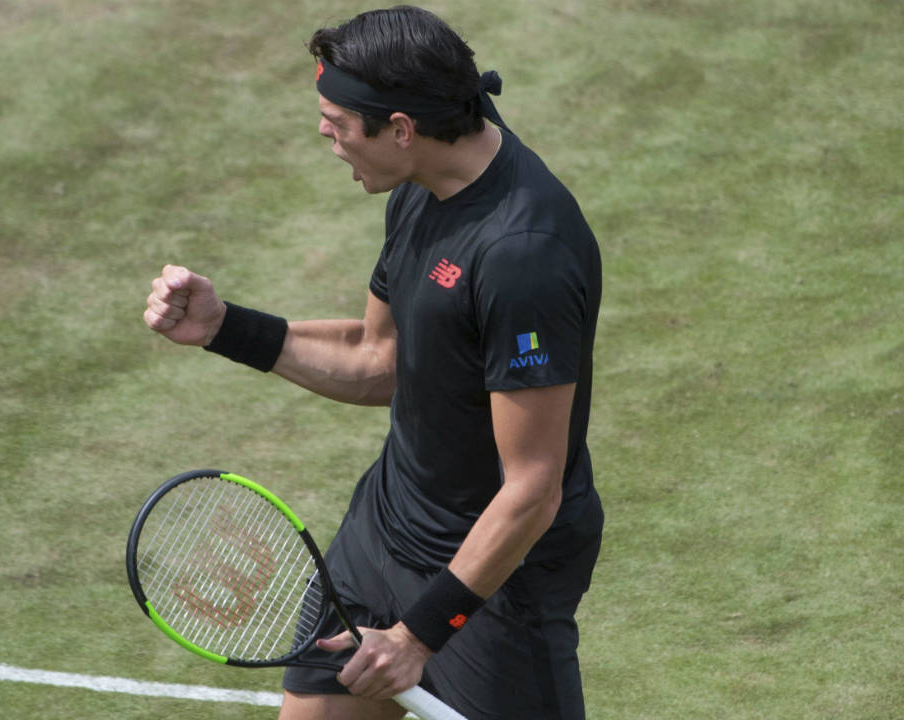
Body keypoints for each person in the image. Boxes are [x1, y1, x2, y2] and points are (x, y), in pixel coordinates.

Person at [143, 6, 603, 719]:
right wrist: (224, 327)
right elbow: (377, 357)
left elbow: (533, 489)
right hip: (384, 531)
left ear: (400, 128)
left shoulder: (522, 257)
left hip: (495, 577)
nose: (324, 135)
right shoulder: (423, 189)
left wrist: (420, 634)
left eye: (337, 120)